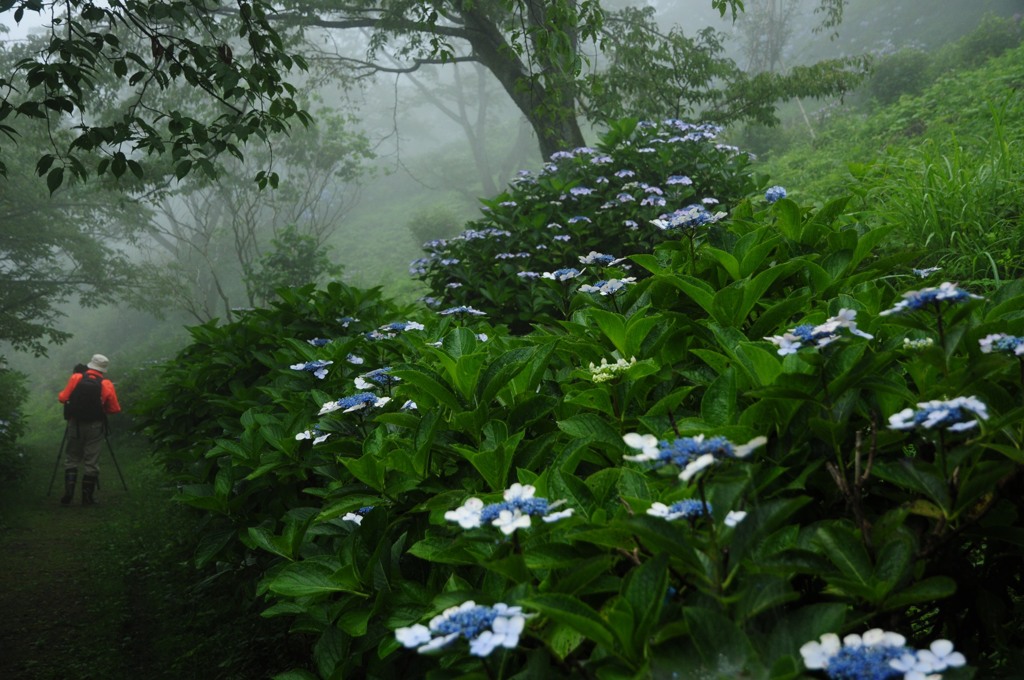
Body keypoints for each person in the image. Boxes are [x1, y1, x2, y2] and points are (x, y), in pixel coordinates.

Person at [57, 354, 121, 505]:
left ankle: (69, 492)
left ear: (90, 365)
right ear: (103, 369)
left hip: (75, 424)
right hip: (95, 426)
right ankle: (87, 497)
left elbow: (62, 398)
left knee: (72, 458)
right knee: (91, 461)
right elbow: (114, 409)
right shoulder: (106, 384)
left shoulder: (77, 378)